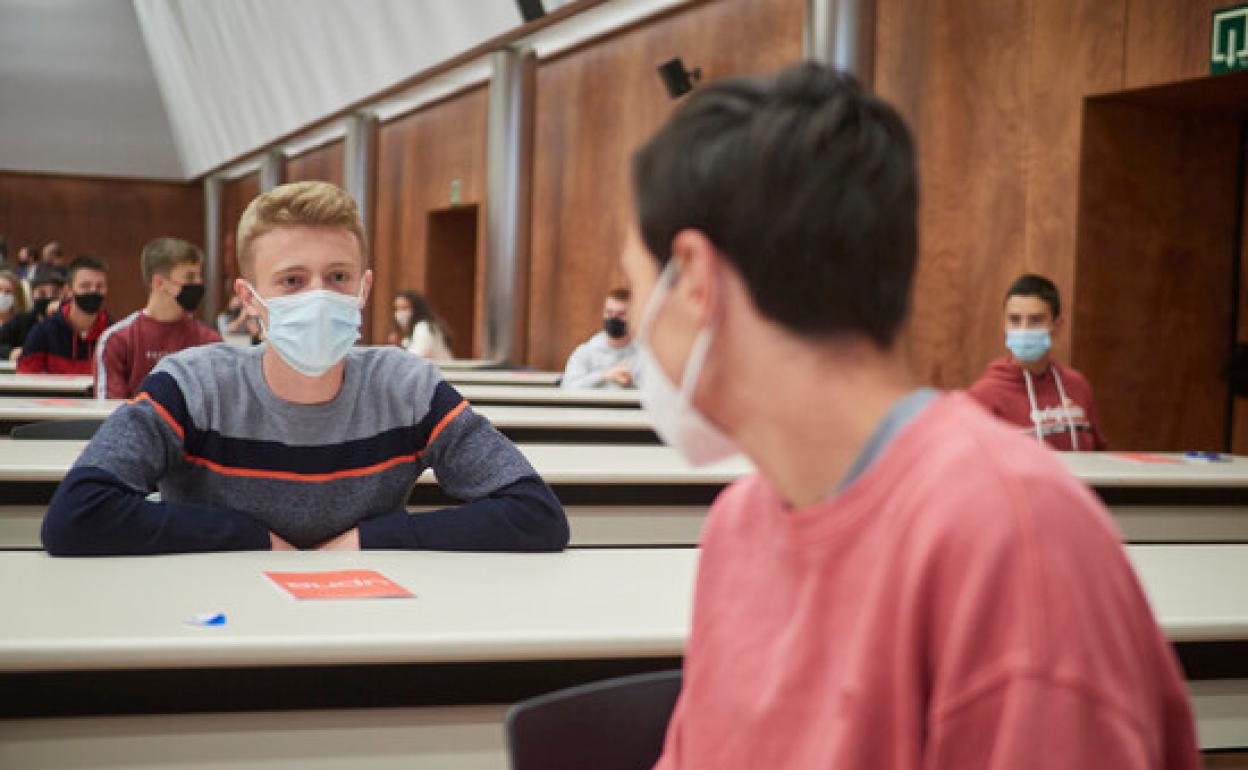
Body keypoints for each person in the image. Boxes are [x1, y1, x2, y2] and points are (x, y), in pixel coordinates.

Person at [620, 65, 1196, 769]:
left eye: (633, 286)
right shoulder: (740, 527)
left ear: (696, 280)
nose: (636, 330)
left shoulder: (1012, 543)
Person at [41, 180, 568, 556]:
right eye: (291, 281)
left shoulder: (407, 387)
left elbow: (535, 513)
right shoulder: (193, 385)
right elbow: (77, 515)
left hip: (361, 623)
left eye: (337, 276)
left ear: (363, 289)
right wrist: (252, 539)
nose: (319, 296)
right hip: (215, 626)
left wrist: (370, 541)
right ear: (249, 299)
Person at [968, 274, 1108, 450]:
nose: (1024, 329)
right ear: (1004, 325)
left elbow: (1098, 454)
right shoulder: (985, 394)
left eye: (1036, 320)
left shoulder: (1076, 385)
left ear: (1057, 326)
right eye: (1015, 320)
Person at [95, 238, 222, 399]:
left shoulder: (210, 342)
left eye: (199, 276)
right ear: (159, 282)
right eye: (190, 277)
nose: (198, 283)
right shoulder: (117, 340)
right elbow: (111, 413)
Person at [17, 256, 110, 374]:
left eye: (100, 286)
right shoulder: (43, 332)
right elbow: (25, 380)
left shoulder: (114, 334)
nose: (93, 291)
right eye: (85, 286)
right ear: (69, 290)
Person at [560, 288, 641, 389]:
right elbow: (567, 387)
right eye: (609, 312)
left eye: (621, 314)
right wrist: (604, 376)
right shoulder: (586, 351)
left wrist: (633, 382)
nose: (613, 318)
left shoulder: (645, 354)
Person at [0, 273, 65, 361]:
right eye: (42, 293)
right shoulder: (22, 321)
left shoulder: (69, 321)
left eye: (55, 293)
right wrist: (10, 353)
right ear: (32, 294)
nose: (49, 297)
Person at [390, 289, 453, 359]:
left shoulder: (423, 327)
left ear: (417, 309)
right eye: (397, 308)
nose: (400, 313)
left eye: (405, 308)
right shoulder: (412, 332)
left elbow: (422, 355)